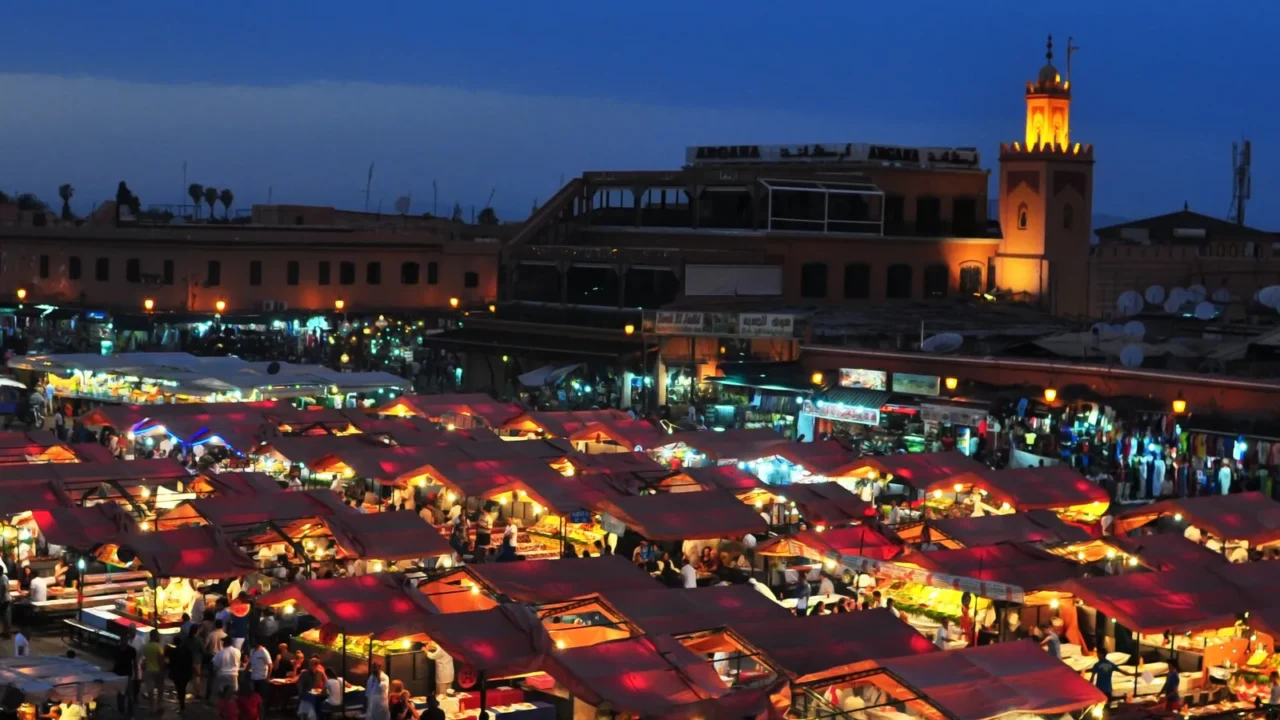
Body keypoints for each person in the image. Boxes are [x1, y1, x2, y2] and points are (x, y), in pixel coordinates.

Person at [167, 629, 195, 712]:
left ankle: (181, 706)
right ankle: (182, 706)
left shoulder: (173, 651)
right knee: (182, 688)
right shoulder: (187, 650)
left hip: (176, 674)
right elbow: (191, 661)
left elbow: (170, 663)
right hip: (186, 673)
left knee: (179, 689)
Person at [112, 631, 138, 715]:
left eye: (125, 639)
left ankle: (128, 712)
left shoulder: (131, 650)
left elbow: (135, 663)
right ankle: (122, 711)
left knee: (128, 693)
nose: (124, 641)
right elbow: (114, 661)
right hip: (120, 673)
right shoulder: (118, 649)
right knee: (121, 693)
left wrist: (136, 675)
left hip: (126, 674)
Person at [141, 630, 165, 712]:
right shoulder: (158, 646)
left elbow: (143, 658)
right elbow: (161, 659)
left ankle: (151, 706)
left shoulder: (145, 646)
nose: (159, 637)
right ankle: (159, 705)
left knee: (150, 690)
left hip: (148, 670)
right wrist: (162, 670)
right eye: (158, 635)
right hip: (157, 670)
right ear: (154, 636)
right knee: (160, 688)